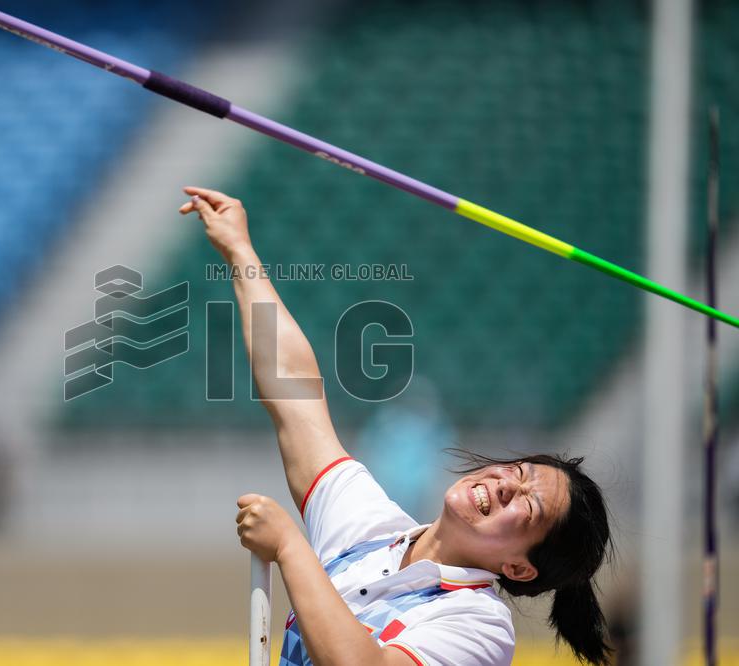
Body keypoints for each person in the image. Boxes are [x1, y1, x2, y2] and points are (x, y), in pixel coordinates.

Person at [179, 186, 613, 666]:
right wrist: (241, 253)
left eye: (529, 506)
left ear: (518, 568)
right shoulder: (369, 531)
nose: (507, 482)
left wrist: (288, 547)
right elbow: (294, 392)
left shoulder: (479, 627)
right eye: (521, 471)